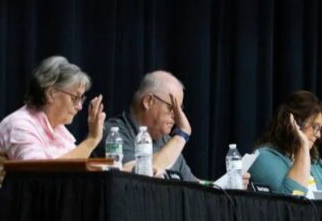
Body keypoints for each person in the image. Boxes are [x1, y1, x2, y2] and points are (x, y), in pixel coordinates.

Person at [0, 56, 105, 221]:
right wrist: (91, 140)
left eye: (81, 98)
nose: (80, 106)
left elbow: (74, 176)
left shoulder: (58, 130)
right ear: (50, 93)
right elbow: (42, 178)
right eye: (75, 97)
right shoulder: (20, 125)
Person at [95, 71, 249, 187]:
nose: (177, 116)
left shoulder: (167, 141)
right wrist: (182, 134)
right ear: (148, 101)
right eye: (172, 108)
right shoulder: (112, 133)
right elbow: (140, 175)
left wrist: (222, 185)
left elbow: (193, 184)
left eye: (180, 109)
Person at [249, 90, 322, 195]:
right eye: (315, 127)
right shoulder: (263, 158)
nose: (318, 135)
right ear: (295, 122)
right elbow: (291, 201)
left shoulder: (319, 165)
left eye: (320, 129)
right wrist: (302, 145)